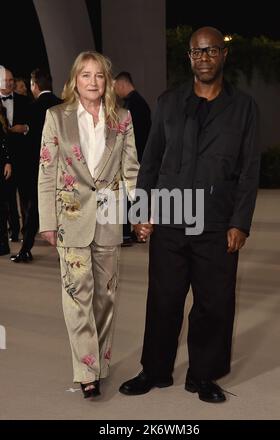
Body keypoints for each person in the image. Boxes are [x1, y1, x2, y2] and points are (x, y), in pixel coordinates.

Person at [119, 27, 260, 403]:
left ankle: (204, 375)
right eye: (197, 52)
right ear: (190, 58)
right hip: (169, 217)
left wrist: (239, 222)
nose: (204, 58)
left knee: (214, 303)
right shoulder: (168, 102)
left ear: (223, 55)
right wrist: (139, 210)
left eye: (211, 50)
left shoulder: (244, 107)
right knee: (163, 300)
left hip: (216, 222)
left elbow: (249, 170)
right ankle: (154, 370)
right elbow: (149, 162)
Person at [38, 51, 139, 398]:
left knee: (105, 298)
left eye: (99, 76)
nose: (93, 82)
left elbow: (131, 172)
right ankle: (86, 370)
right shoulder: (56, 117)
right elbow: (47, 171)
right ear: (74, 80)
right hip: (70, 221)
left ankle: (101, 362)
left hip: (109, 219)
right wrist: (47, 221)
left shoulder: (122, 119)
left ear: (106, 81)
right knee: (77, 296)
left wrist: (140, 212)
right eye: (86, 75)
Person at [11, 68, 62, 262]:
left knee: (34, 208)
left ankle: (26, 249)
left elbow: (30, 143)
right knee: (62, 208)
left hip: (38, 167)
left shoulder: (31, 108)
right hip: (62, 167)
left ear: (34, 85)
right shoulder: (63, 106)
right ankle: (65, 250)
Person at [114, 72, 151, 246]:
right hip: (140, 156)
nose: (114, 91)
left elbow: (131, 137)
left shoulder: (131, 106)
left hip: (135, 157)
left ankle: (130, 234)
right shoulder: (139, 103)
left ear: (122, 84)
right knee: (134, 195)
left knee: (130, 195)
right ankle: (133, 232)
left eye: (115, 87)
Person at [0, 68, 31, 242]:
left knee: (24, 195)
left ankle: (27, 230)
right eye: (7, 80)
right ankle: (13, 231)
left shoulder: (24, 101)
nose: (11, 83)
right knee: (8, 197)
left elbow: (34, 125)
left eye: (12, 80)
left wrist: (25, 129)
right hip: (3, 158)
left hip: (22, 156)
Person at [0, 97, 12, 256]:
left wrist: (8, 162)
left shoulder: (2, 116)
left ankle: (3, 244)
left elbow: (5, 141)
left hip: (1, 165)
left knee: (2, 206)